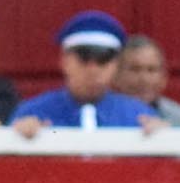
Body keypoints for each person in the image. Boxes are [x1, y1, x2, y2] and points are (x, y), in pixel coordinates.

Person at [11, 10, 161, 133]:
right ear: (64, 61)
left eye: (103, 59)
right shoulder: (33, 113)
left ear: (115, 65)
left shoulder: (139, 116)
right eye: (83, 58)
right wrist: (16, 140)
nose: (93, 70)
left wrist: (161, 140)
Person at [118, 35, 180, 128]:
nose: (144, 79)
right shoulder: (100, 116)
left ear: (164, 77)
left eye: (151, 70)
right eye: (135, 69)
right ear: (116, 75)